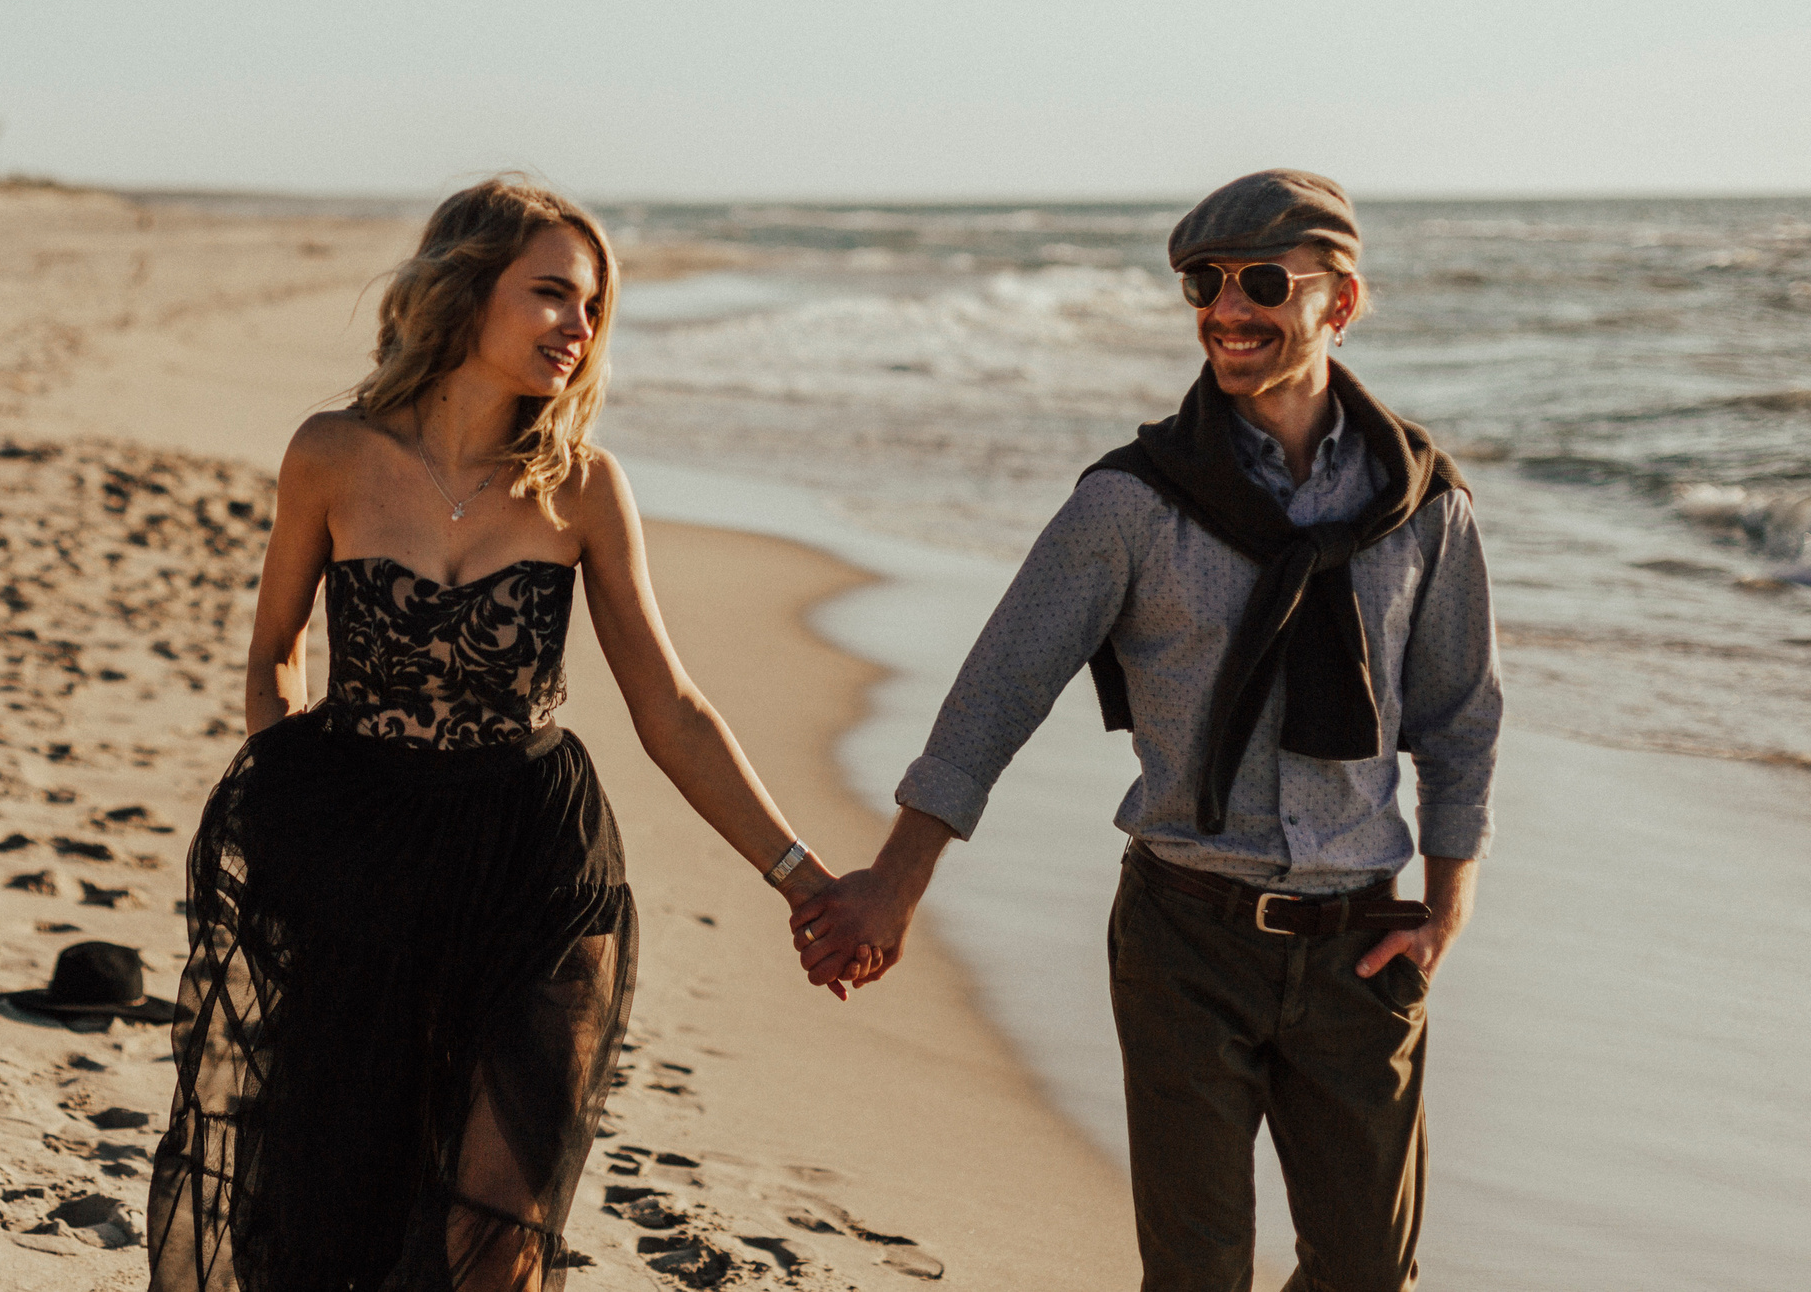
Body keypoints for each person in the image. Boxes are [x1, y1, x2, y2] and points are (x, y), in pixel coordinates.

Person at [149, 176, 863, 1292]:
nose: (579, 330)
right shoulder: (330, 453)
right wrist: (292, 810)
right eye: (552, 297)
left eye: (592, 308)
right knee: (327, 1196)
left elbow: (668, 707)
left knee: (496, 1228)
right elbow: (273, 653)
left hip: (529, 861)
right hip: (358, 857)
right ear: (464, 289)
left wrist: (803, 877)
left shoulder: (582, 487)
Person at [792, 170, 1502, 1292]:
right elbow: (997, 691)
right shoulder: (1130, 502)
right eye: (1201, 284)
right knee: (1195, 1274)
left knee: (1370, 1272)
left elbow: (1461, 717)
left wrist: (1449, 911)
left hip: (1360, 945)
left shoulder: (1424, 504)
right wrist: (895, 881)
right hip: (1186, 936)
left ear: (1340, 302)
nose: (1226, 309)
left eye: (1261, 282)